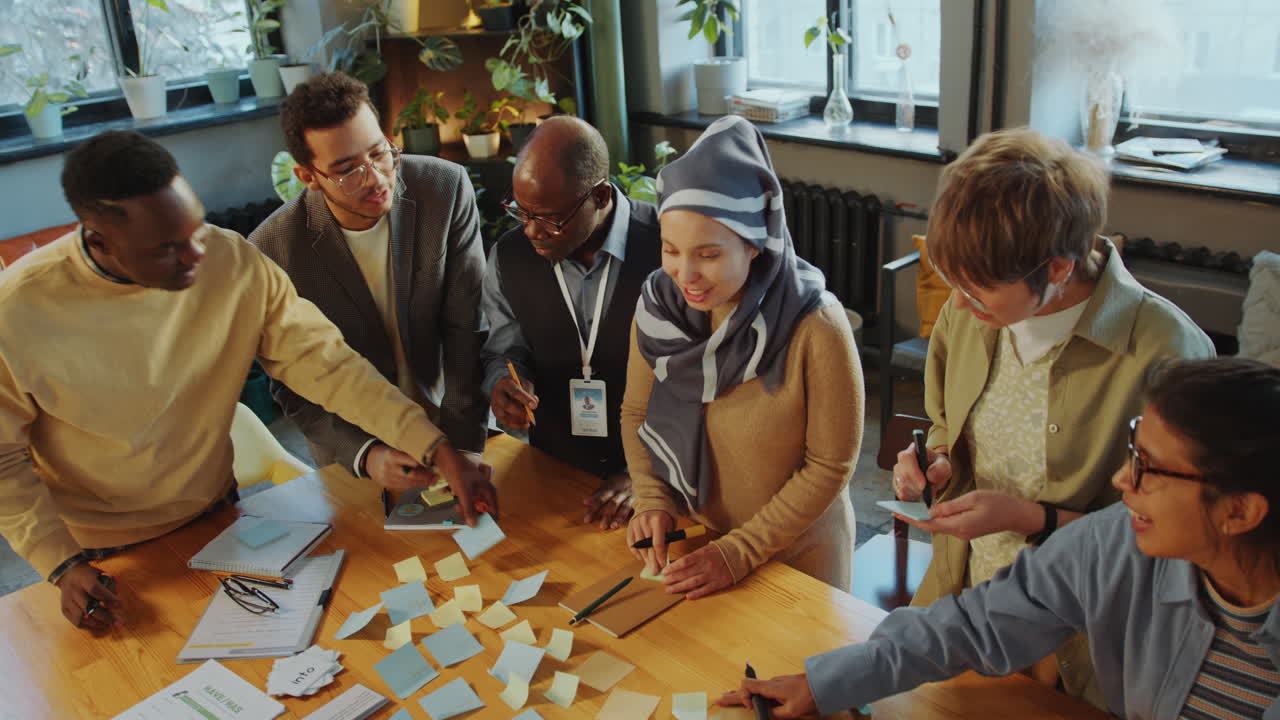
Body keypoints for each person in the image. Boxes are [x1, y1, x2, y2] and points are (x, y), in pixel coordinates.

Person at [0, 130, 495, 632]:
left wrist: (432, 444)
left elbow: (325, 363)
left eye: (195, 228)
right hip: (101, 552)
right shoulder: (15, 310)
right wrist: (59, 563)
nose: (196, 255)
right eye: (167, 249)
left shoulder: (230, 259)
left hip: (216, 510)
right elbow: (3, 458)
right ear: (99, 240)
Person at [719, 357, 1280, 720]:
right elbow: (974, 626)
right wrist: (825, 683)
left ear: (1239, 512)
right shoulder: (1116, 544)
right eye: (1134, 449)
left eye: (1150, 469)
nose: (1121, 480)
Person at [889, 127, 1214, 701]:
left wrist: (1030, 517)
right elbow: (945, 422)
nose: (958, 305)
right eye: (951, 282)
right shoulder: (968, 318)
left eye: (978, 289)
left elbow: (1179, 546)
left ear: (1059, 269)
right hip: (963, 602)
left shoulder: (1167, 353)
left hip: (1083, 640)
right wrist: (933, 460)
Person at [623, 115, 863, 597]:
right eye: (671, 249)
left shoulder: (816, 325)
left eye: (709, 255)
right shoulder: (658, 308)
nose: (685, 273)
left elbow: (830, 466)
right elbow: (637, 411)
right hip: (700, 545)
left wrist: (740, 551)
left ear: (755, 244)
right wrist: (651, 497)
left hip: (797, 557)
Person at [251, 72, 489, 488]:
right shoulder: (273, 249)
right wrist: (367, 455)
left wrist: (463, 447)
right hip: (354, 454)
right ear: (308, 176)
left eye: (380, 154)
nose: (377, 179)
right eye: (347, 171)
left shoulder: (443, 190)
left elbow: (465, 330)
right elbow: (293, 386)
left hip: (448, 422)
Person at [481, 116, 662, 530]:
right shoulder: (509, 256)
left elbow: (701, 386)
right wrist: (503, 383)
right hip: (552, 465)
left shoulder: (668, 248)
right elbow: (503, 350)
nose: (530, 231)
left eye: (548, 218)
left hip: (653, 480)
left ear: (600, 196)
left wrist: (649, 473)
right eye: (519, 212)